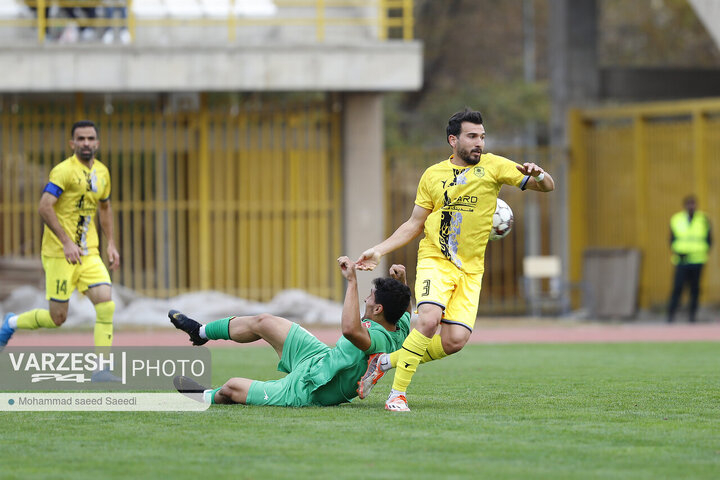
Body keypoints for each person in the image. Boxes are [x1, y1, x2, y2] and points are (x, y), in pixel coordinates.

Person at [354, 108, 555, 412]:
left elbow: (547, 186)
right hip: (436, 260)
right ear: (453, 140)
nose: (479, 143)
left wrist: (539, 174)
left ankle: (384, 361)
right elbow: (414, 224)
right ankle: (397, 395)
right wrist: (380, 250)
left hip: (471, 271)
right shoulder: (433, 175)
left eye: (482, 137)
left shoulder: (495, 166)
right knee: (428, 320)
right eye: (472, 136)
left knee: (454, 341)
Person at [170, 258, 411, 407]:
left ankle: (205, 397)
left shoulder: (379, 339)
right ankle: (199, 332)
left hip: (311, 389)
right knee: (264, 321)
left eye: (369, 297)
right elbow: (406, 312)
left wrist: (351, 281)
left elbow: (349, 329)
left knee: (232, 387)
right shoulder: (398, 326)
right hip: (319, 357)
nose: (366, 298)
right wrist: (403, 282)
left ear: (378, 309)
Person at [0, 120, 120, 381]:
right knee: (57, 318)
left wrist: (110, 243)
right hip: (59, 254)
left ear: (97, 143)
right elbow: (44, 206)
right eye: (81, 139)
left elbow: (105, 208)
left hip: (89, 254)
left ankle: (101, 369)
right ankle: (10, 323)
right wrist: (66, 242)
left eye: (90, 138)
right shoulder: (63, 171)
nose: (86, 143)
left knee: (106, 304)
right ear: (72, 143)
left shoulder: (102, 172)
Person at [667, 195, 712, 323]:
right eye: (689, 204)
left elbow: (709, 239)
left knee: (695, 290)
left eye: (693, 204)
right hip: (681, 260)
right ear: (685, 206)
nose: (691, 207)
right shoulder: (676, 219)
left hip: (698, 260)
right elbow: (672, 238)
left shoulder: (703, 219)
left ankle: (692, 316)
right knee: (677, 288)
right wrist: (676, 250)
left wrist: (704, 251)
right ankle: (670, 315)